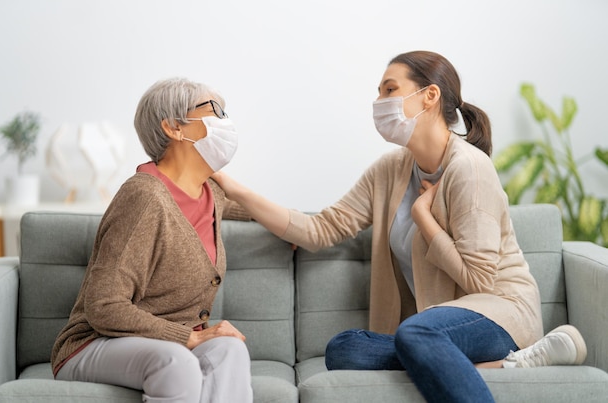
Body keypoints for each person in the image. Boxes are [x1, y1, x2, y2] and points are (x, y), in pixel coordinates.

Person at [211, 51, 587, 402]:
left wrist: (425, 220)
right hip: (435, 328)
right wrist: (230, 188)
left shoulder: (469, 168)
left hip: (499, 313)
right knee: (344, 348)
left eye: (390, 90)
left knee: (417, 331)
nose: (380, 102)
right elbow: (319, 229)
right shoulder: (389, 171)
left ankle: (468, 354)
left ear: (430, 96)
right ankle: (502, 365)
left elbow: (480, 281)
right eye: (378, 93)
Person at [51, 78, 253, 403]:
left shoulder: (210, 193)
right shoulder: (144, 196)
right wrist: (188, 337)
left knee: (231, 350)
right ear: (173, 127)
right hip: (96, 342)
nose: (224, 121)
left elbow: (251, 208)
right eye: (213, 110)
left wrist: (290, 231)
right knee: (176, 362)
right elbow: (104, 306)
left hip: (168, 345)